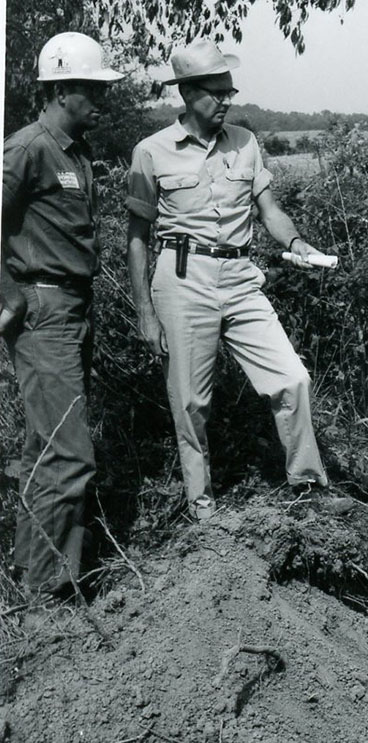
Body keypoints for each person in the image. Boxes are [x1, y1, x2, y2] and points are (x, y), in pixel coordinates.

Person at [126, 40, 329, 521]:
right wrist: (145, 314)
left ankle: (308, 486)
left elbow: (270, 210)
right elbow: (137, 237)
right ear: (188, 93)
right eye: (216, 92)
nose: (226, 100)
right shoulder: (150, 153)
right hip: (181, 280)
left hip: (240, 277)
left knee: (292, 378)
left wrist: (298, 244)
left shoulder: (245, 142)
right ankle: (202, 508)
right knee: (191, 403)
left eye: (229, 91)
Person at [2, 32, 123, 599]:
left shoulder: (77, 150)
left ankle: (40, 579)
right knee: (70, 454)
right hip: (43, 308)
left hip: (74, 306)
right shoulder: (27, 148)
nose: (102, 96)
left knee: (46, 450)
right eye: (92, 87)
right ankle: (46, 601)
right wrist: (9, 295)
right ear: (59, 89)